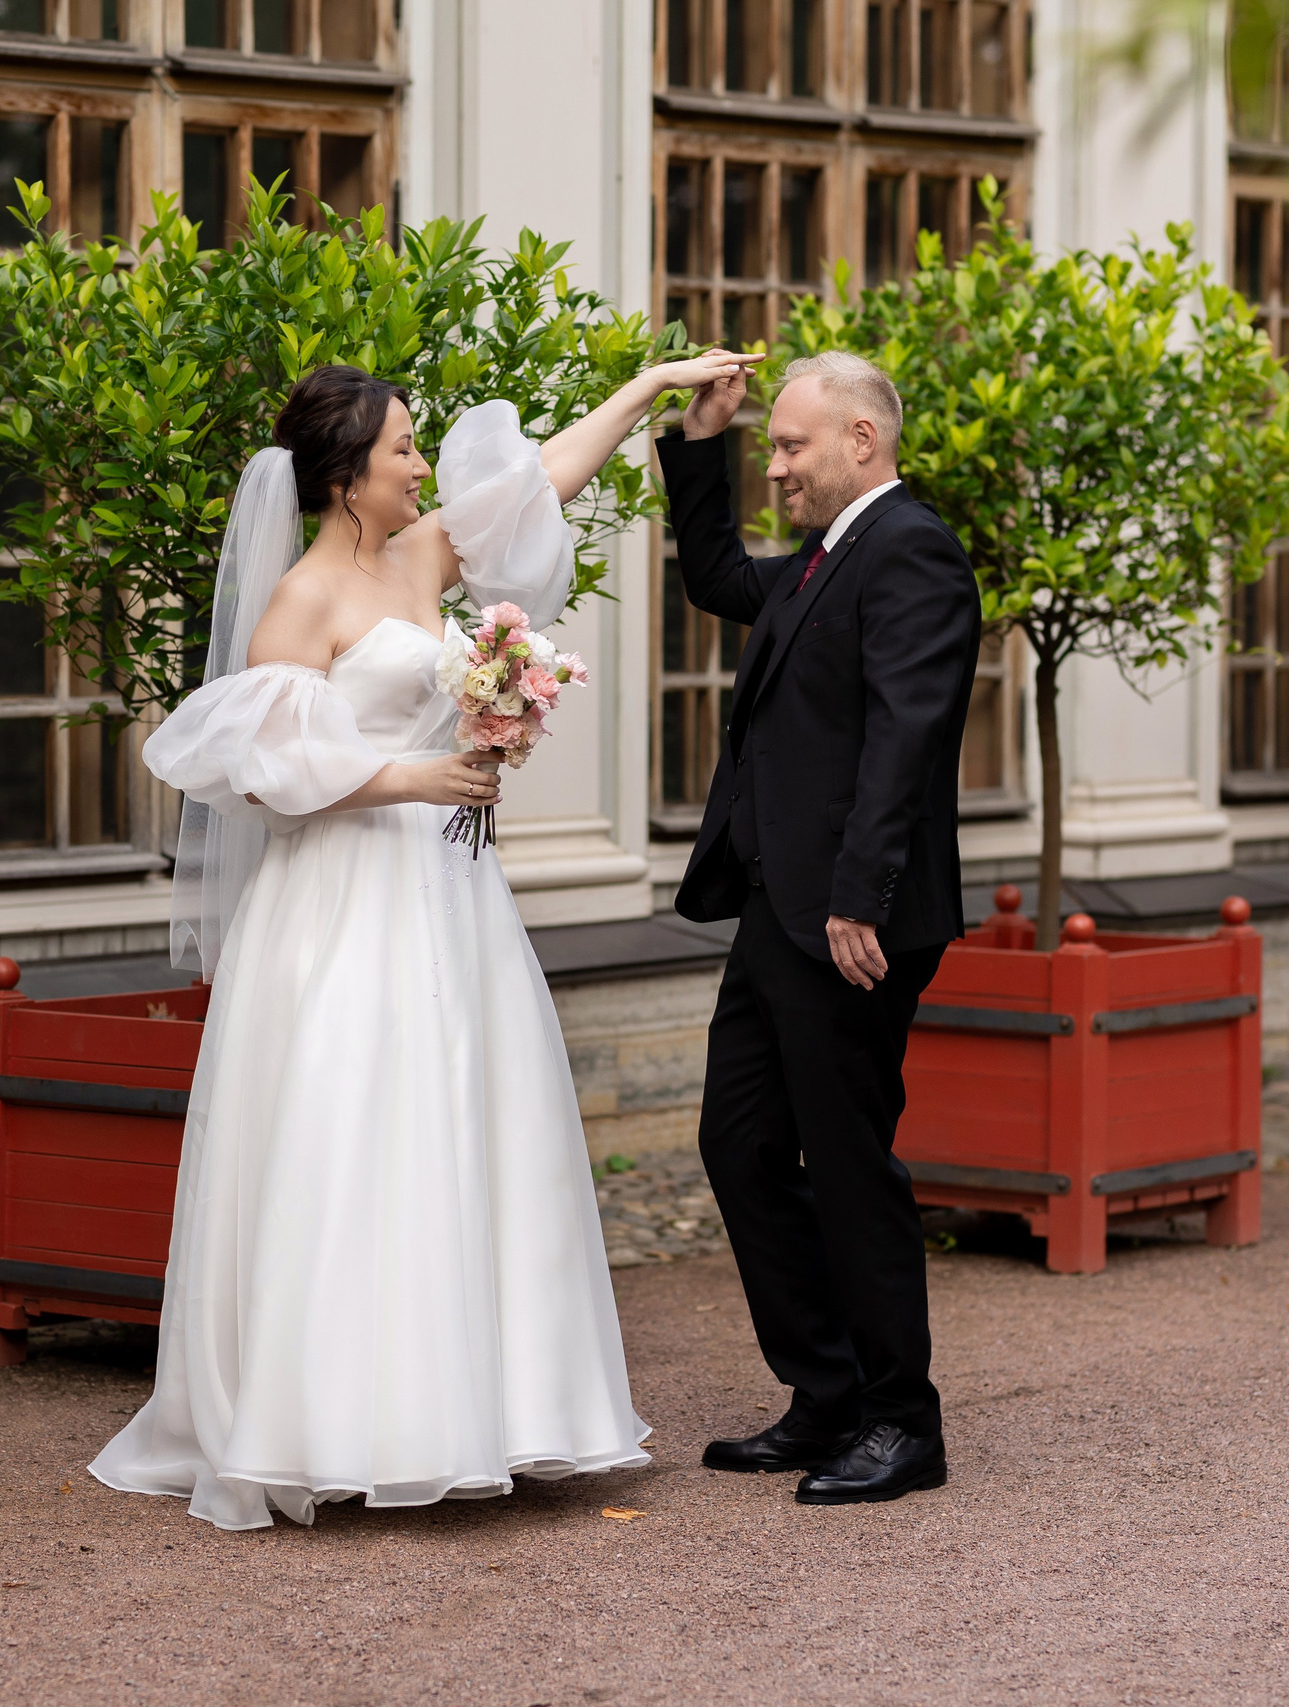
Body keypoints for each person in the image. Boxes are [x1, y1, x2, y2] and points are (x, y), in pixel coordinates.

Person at [91, 353, 749, 1531]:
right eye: (401, 445)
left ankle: (483, 1410)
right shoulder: (302, 600)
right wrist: (414, 773)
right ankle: (335, 1420)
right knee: (355, 1135)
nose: (417, 459)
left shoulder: (428, 553)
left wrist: (648, 387)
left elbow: (544, 475)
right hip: (343, 901)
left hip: (451, 895)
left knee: (468, 1126)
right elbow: (262, 770)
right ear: (349, 476)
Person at [658, 350, 981, 1505]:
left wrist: (860, 896)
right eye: (771, 448)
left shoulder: (914, 552)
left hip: (853, 921)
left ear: (861, 438)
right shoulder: (820, 563)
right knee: (740, 1146)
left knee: (847, 1165)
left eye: (790, 447)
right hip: (776, 909)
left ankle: (903, 1422)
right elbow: (708, 577)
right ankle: (827, 1394)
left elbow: (909, 735)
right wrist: (701, 438)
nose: (777, 468)